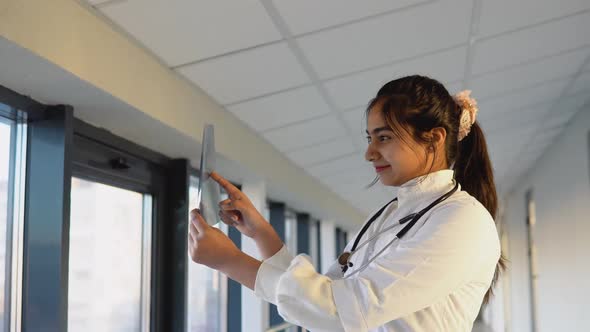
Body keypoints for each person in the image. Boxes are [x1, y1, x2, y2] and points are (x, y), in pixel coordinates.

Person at [188, 75, 507, 332]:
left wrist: (229, 261)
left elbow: (342, 313)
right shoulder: (390, 215)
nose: (369, 153)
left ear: (434, 139)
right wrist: (261, 234)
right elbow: (325, 296)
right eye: (370, 139)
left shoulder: (464, 223)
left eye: (384, 138)